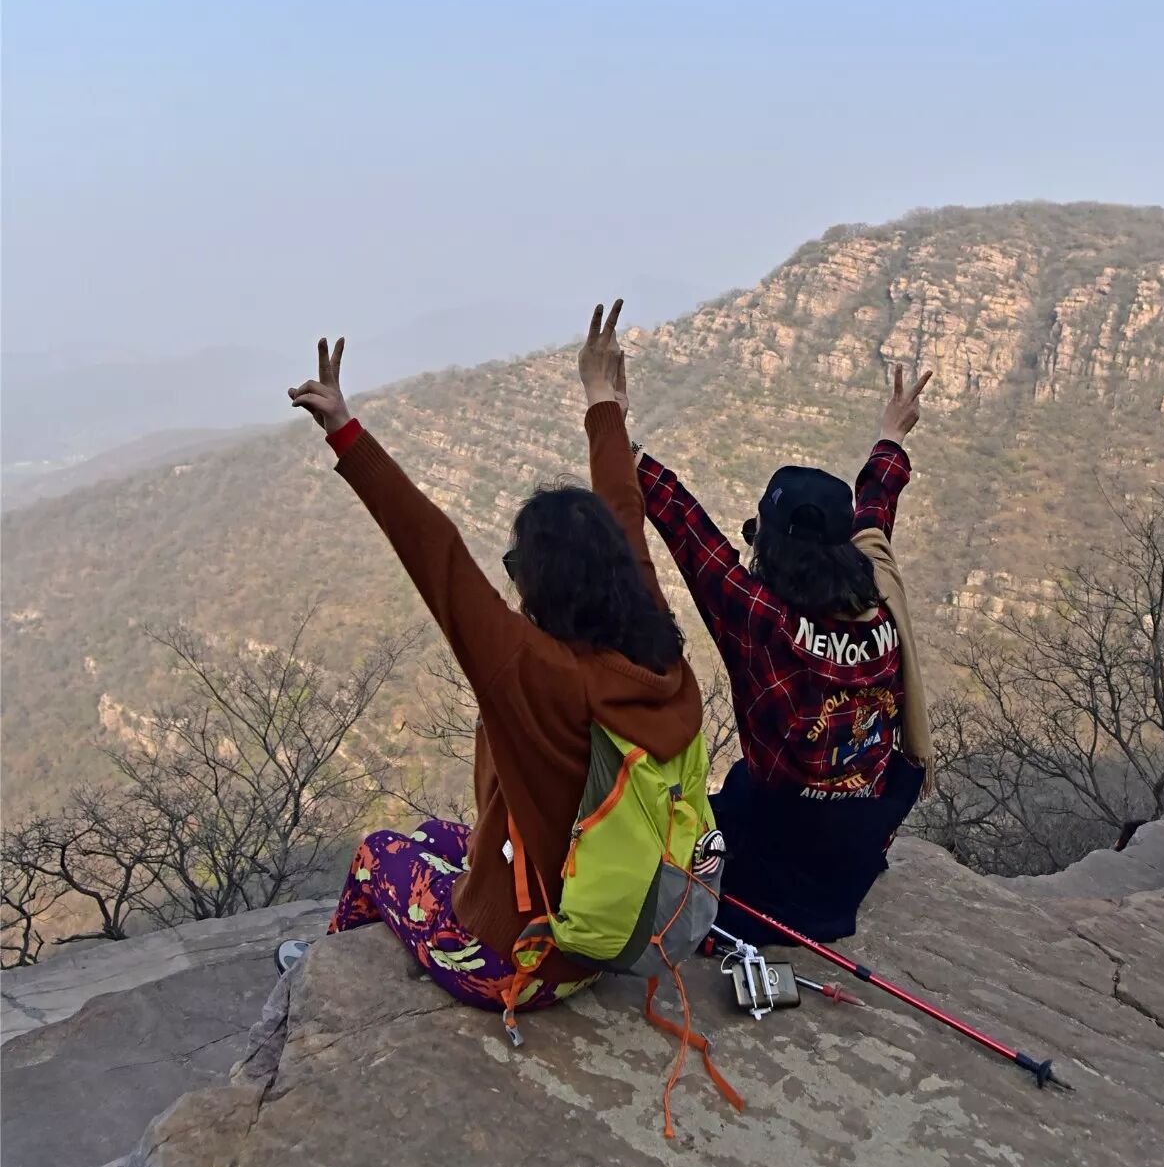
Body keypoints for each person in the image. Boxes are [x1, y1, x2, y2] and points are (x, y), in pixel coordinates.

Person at [281, 302, 704, 1026]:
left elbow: (437, 555)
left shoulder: (539, 673)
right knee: (437, 836)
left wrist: (346, 433)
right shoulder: (657, 648)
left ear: (543, 586)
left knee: (379, 851)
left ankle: (316, 977)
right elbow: (624, 511)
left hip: (520, 965)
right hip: (608, 935)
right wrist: (602, 401)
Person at [629, 363, 936, 944]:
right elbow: (876, 510)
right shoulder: (880, 592)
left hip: (777, 857)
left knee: (687, 827)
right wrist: (891, 437)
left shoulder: (764, 622)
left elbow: (690, 532)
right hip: (855, 850)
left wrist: (620, 438)